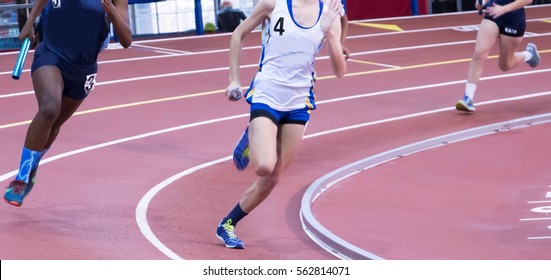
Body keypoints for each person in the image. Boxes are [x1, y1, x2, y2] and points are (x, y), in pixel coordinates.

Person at [216, 0, 346, 249]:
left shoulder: (330, 12)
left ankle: (227, 224)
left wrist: (330, 33)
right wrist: (234, 80)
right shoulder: (273, 4)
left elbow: (340, 70)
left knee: (274, 178)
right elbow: (238, 34)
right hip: (268, 94)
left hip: (299, 101)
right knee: (264, 166)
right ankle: (252, 136)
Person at [3, 0, 132, 207]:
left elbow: (126, 40)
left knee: (54, 124)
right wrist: (29, 21)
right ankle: (21, 179)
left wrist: (112, 12)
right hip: (52, 54)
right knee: (49, 108)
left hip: (84, 69)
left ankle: (32, 166)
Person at [455, 0, 540, 112]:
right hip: (493, 13)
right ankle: (468, 98)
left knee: (505, 65)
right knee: (479, 53)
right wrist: (482, 2)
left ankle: (529, 54)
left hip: (513, 18)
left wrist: (504, 9)